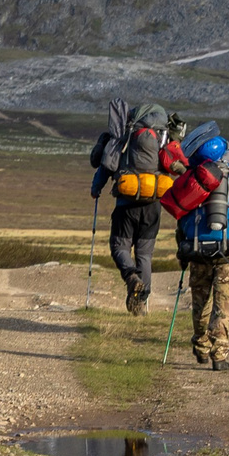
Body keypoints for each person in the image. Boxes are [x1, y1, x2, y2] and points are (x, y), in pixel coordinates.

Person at [97, 105, 182, 314]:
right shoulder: (163, 138)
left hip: (126, 205)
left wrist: (96, 188)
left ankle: (131, 277)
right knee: (144, 255)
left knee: (120, 247)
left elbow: (107, 165)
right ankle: (141, 303)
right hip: (153, 206)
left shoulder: (127, 136)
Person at [178, 150, 229, 370]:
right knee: (222, 305)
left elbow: (182, 218)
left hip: (198, 251)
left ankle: (201, 347)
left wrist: (182, 253)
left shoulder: (194, 179)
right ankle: (219, 356)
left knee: (200, 304)